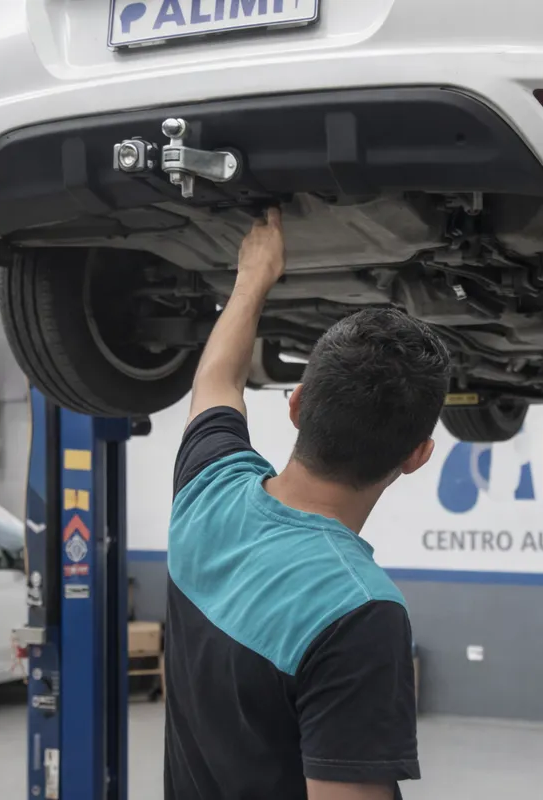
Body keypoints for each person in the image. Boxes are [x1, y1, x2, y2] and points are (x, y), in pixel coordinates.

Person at [162, 208, 451, 800]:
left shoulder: (208, 490)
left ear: (296, 406)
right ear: (418, 455)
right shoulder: (358, 611)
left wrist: (252, 278)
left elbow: (217, 381)